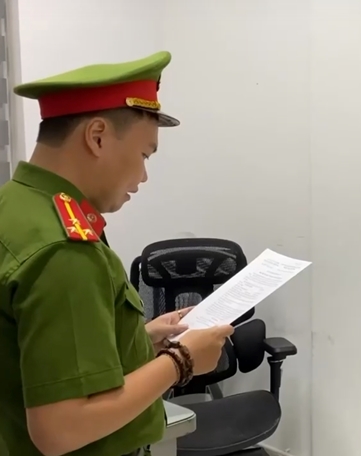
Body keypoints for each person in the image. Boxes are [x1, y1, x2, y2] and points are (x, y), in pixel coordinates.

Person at [0, 51, 234, 456]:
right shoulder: (64, 250)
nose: (143, 176)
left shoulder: (16, 207)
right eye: (144, 155)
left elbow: (37, 355)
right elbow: (61, 429)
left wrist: (142, 340)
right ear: (97, 136)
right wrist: (181, 361)